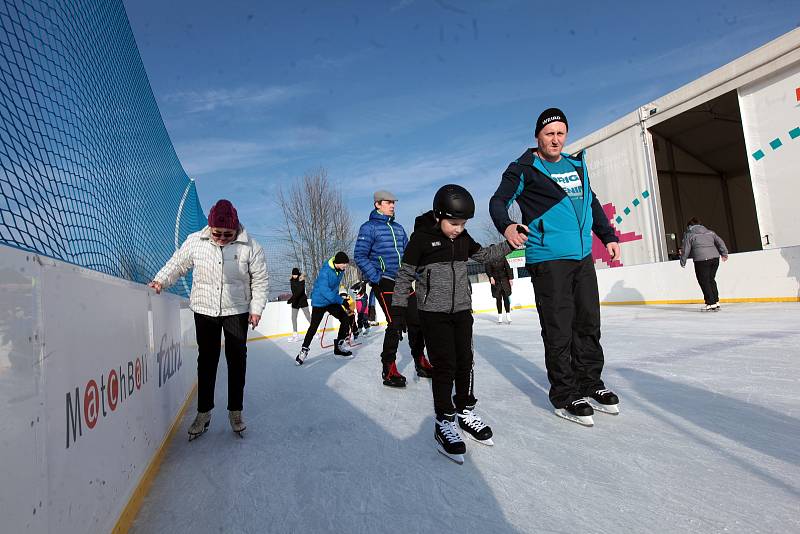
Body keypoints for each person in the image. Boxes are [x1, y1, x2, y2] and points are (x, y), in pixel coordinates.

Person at [489, 108, 621, 427]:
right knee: (559, 326)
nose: (556, 139)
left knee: (588, 321)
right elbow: (498, 201)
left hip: (582, 256)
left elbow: (591, 202)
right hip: (548, 258)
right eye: (549, 134)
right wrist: (507, 226)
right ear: (538, 137)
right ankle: (564, 393)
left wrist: (607, 235)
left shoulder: (577, 165)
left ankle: (590, 383)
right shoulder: (524, 168)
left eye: (561, 133)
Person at [392, 185, 511, 463]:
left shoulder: (463, 238)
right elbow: (404, 276)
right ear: (438, 216)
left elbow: (484, 256)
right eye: (453, 223)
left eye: (463, 224)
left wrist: (512, 243)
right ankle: (444, 421)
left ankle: (465, 411)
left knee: (465, 362)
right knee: (444, 366)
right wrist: (398, 313)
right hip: (433, 314)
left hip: (461, 311)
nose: (458, 229)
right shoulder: (421, 240)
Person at [149, 199, 268, 439]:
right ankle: (203, 412)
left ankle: (236, 411)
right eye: (217, 233)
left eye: (228, 234)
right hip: (204, 309)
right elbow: (178, 263)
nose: (222, 238)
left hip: (236, 310)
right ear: (210, 227)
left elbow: (261, 280)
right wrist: (160, 280)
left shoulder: (250, 245)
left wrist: (256, 309)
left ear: (236, 229)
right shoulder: (196, 241)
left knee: (237, 361)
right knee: (207, 362)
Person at [354, 190, 432, 387]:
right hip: (386, 281)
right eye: (388, 202)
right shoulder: (368, 228)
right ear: (377, 204)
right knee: (395, 323)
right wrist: (376, 278)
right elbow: (360, 255)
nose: (392, 205)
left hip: (404, 280)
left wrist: (415, 273)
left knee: (417, 322)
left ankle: (419, 360)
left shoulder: (398, 228)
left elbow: (408, 254)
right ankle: (388, 368)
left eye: (393, 203)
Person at [294, 252, 354, 365]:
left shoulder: (340, 271)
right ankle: (304, 351)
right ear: (337, 262)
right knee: (313, 327)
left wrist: (341, 297)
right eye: (344, 264)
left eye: (346, 264)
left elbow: (335, 287)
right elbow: (325, 291)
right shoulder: (325, 272)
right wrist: (342, 301)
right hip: (320, 302)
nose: (345, 266)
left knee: (345, 318)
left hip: (331, 301)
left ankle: (339, 347)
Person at [680, 217, 728, 311]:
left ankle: (710, 303)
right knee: (711, 279)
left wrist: (683, 260)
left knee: (704, 281)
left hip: (701, 260)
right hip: (715, 258)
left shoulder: (689, 234)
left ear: (690, 226)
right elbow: (720, 242)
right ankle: (716, 301)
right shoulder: (710, 232)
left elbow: (685, 249)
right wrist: (724, 253)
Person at [485, 257, 514, 324]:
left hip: (504, 280)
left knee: (506, 297)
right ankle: (500, 316)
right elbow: (487, 269)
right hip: (495, 281)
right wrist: (491, 277)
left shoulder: (502, 258)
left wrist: (510, 279)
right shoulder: (489, 259)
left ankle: (508, 315)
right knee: (498, 299)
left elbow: (507, 268)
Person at [287, 267, 312, 342]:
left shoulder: (301, 280)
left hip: (302, 301)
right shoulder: (291, 281)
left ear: (298, 274)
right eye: (293, 275)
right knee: (293, 318)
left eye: (296, 275)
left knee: (308, 316)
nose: (294, 276)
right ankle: (295, 335)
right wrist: (293, 299)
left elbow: (300, 291)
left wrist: (291, 299)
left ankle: (315, 331)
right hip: (295, 301)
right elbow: (294, 292)